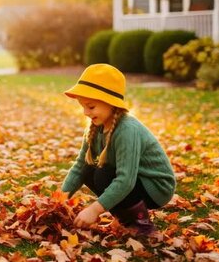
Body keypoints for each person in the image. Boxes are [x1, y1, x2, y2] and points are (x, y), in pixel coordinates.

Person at [61, 64, 176, 235]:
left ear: (110, 103)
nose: (85, 112)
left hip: (156, 186)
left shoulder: (126, 130)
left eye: (91, 106)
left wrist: (94, 210)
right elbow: (79, 166)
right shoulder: (95, 127)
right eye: (82, 106)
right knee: (88, 168)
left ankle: (140, 223)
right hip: (135, 180)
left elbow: (126, 180)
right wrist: (60, 199)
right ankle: (124, 219)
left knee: (103, 174)